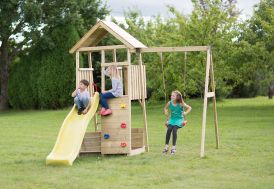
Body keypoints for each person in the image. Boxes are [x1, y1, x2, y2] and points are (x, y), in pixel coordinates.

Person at [163, 90, 192, 155]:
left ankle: (173, 148)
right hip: (172, 119)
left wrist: (185, 113)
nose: (172, 96)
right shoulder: (169, 103)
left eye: (173, 96)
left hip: (180, 120)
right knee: (169, 129)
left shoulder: (181, 103)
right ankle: (166, 147)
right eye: (171, 95)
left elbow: (190, 108)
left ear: (177, 97)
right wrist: (165, 112)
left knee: (174, 130)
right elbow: (165, 108)